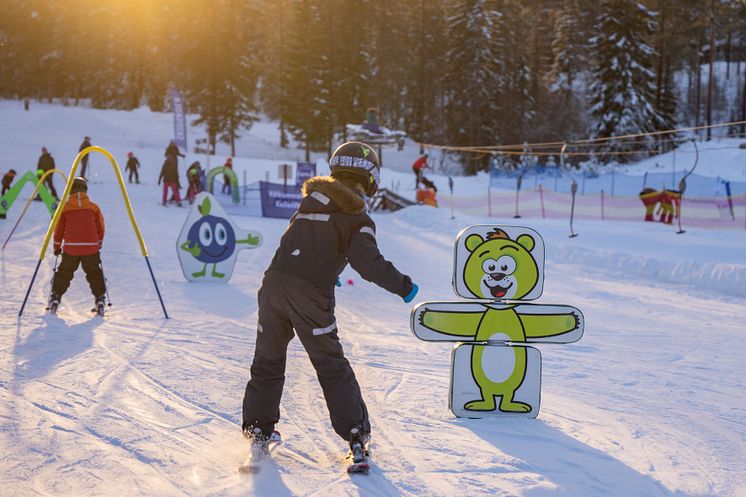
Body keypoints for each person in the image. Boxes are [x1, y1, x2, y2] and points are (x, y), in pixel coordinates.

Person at [241, 141, 418, 465]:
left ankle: (258, 434)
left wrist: (325, 266)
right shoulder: (355, 216)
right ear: (370, 179)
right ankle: (356, 437)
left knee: (267, 362)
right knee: (330, 363)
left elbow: (297, 246)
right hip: (309, 295)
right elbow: (367, 262)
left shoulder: (309, 204)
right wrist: (403, 285)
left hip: (273, 287)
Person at [48, 177, 106, 315]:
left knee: (64, 272)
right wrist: (98, 244)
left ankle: (55, 296)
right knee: (94, 273)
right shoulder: (93, 207)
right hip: (90, 246)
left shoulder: (65, 208)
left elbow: (59, 229)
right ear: (85, 189)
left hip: (71, 247)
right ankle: (100, 299)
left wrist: (57, 246)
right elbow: (101, 227)